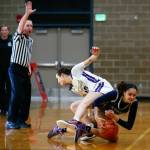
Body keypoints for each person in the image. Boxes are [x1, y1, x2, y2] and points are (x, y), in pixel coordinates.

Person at [48, 46, 114, 140]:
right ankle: (88, 128)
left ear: (62, 75)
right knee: (74, 106)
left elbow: (92, 59)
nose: (58, 81)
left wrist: (95, 54)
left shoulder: (75, 71)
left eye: (58, 78)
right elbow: (89, 99)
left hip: (102, 87)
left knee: (83, 103)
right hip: (97, 95)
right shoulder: (74, 87)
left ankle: (74, 121)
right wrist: (90, 114)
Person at [56, 81, 138, 142]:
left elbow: (129, 126)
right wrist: (96, 116)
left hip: (106, 114)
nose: (132, 97)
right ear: (124, 93)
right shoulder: (115, 94)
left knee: (113, 138)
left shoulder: (134, 103)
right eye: (129, 94)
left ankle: (73, 129)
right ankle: (88, 126)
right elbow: (97, 102)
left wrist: (115, 117)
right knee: (74, 106)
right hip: (97, 108)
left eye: (134, 95)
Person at [5, 1, 36, 129]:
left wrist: (28, 68)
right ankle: (11, 120)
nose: (29, 27)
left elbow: (27, 56)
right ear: (22, 27)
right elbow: (21, 25)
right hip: (15, 69)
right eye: (27, 25)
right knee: (17, 94)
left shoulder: (30, 40)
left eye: (31, 26)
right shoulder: (17, 36)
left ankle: (21, 120)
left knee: (26, 97)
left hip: (24, 70)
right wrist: (27, 14)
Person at [0, 25, 12, 115]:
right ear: (0, 31)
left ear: (8, 31)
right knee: (1, 89)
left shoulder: (11, 41)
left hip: (9, 69)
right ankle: (2, 108)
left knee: (9, 88)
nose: (4, 32)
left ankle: (8, 108)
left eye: (6, 30)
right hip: (0, 69)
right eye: (2, 30)